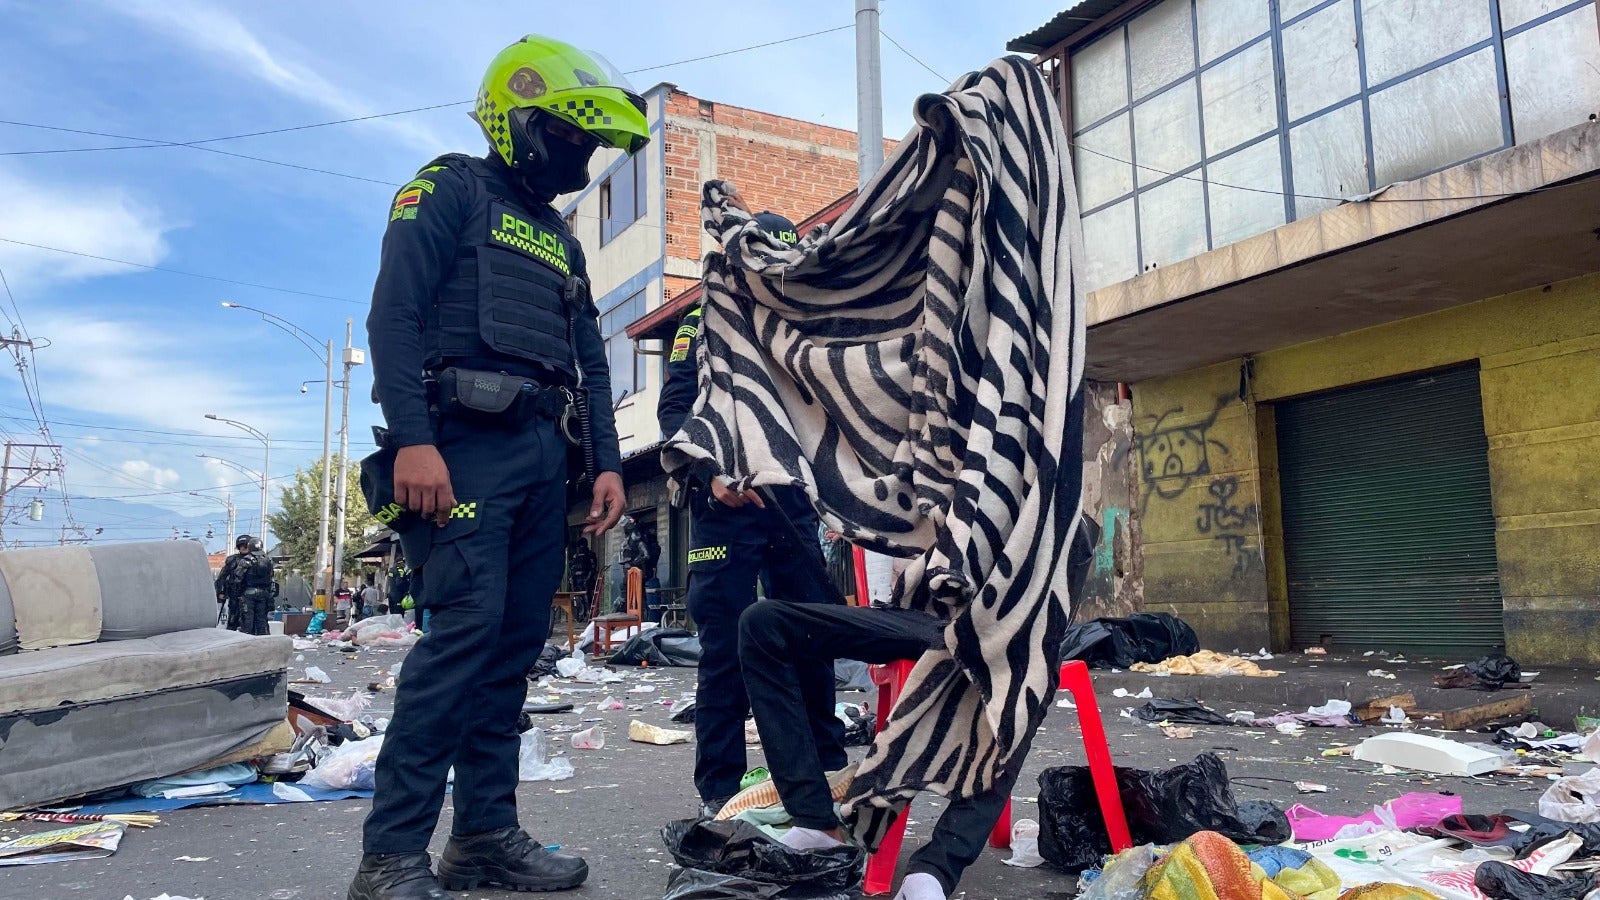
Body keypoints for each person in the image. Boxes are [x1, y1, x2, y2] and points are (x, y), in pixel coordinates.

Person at [349, 33, 642, 900]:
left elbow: (587, 362)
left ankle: (483, 838)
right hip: (459, 450)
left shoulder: (561, 239)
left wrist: (605, 463)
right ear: (520, 121)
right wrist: (413, 438)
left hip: (543, 461)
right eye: (570, 136)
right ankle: (391, 856)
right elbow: (393, 317)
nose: (581, 156)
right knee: (461, 644)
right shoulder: (447, 189)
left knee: (514, 652)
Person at [736, 519, 1100, 900]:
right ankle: (814, 824)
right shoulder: (944, 478)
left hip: (1009, 631)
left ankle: (934, 871)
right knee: (762, 623)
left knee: (1030, 673)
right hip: (921, 618)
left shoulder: (1051, 494)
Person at [657, 200, 845, 818]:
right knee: (727, 648)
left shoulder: (804, 321)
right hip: (727, 504)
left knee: (815, 633)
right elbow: (676, 407)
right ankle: (720, 789)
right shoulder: (704, 318)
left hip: (793, 503)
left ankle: (826, 766)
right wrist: (711, 474)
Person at [237, 537, 276, 637]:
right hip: (263, 594)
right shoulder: (268, 560)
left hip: (248, 593)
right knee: (262, 619)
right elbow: (271, 578)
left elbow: (237, 578)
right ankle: (263, 642)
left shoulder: (246, 560)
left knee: (247, 620)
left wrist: (237, 593)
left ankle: (247, 641)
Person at [214, 534, 252, 631]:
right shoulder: (232, 560)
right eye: (241, 546)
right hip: (234, 594)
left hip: (250, 594)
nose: (244, 548)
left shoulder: (257, 560)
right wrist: (221, 591)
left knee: (250, 620)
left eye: (246, 545)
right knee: (233, 618)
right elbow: (222, 576)